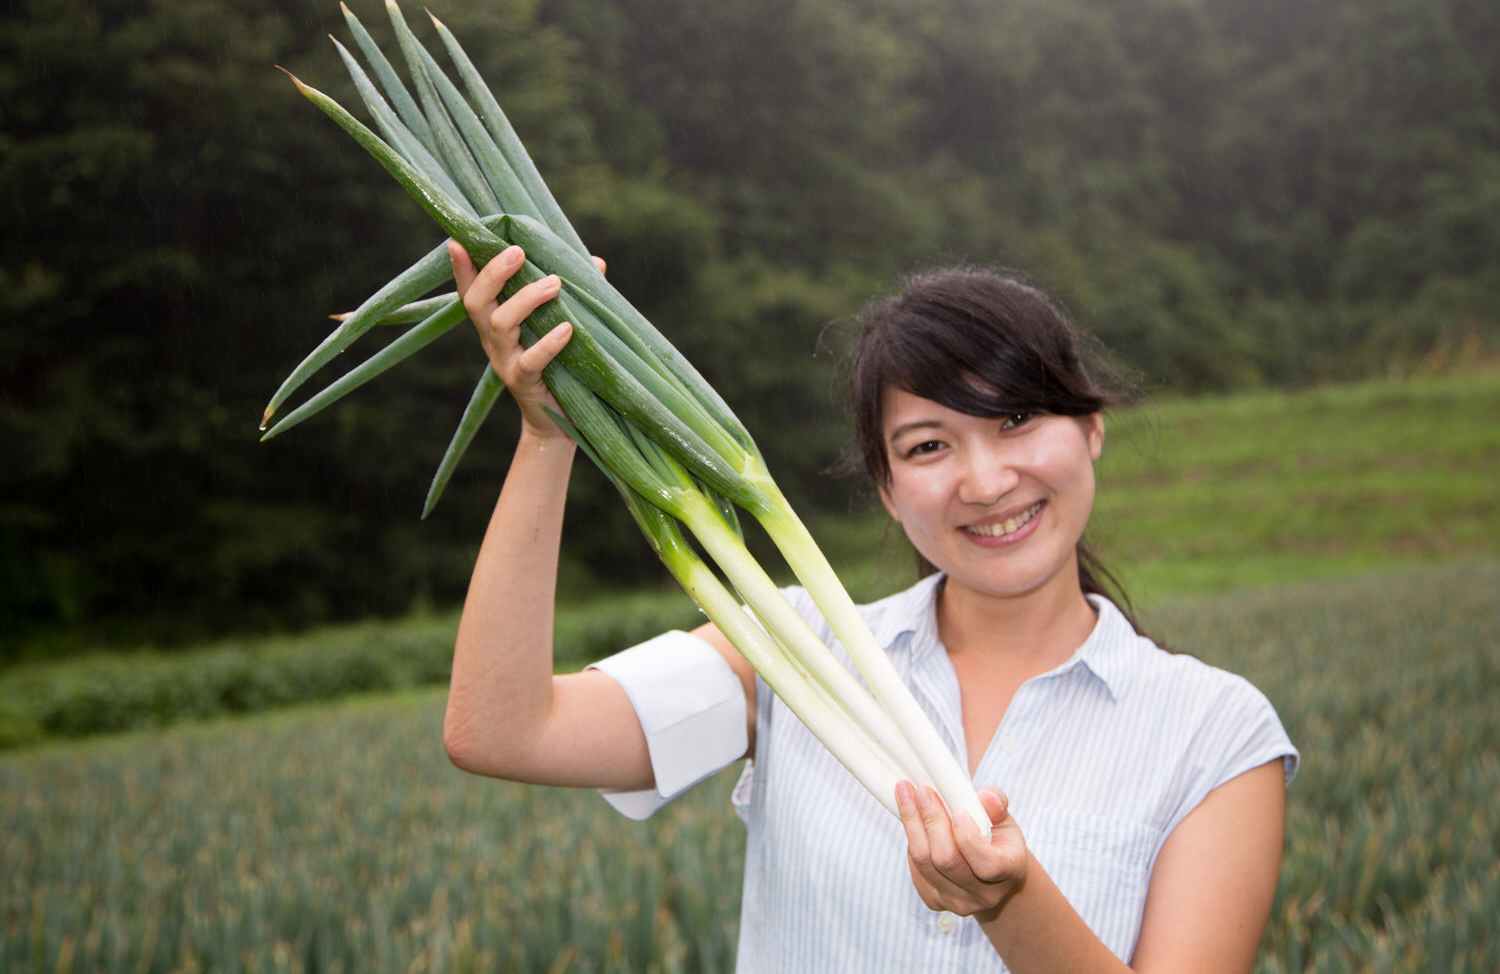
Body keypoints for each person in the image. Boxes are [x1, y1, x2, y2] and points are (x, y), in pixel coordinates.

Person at [441, 242, 1299, 973]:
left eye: (1018, 419)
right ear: (887, 490)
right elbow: (503, 729)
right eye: (929, 445)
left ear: (1091, 429)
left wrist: (1012, 903)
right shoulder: (787, 652)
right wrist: (551, 434)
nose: (986, 480)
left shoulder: (1216, 735)